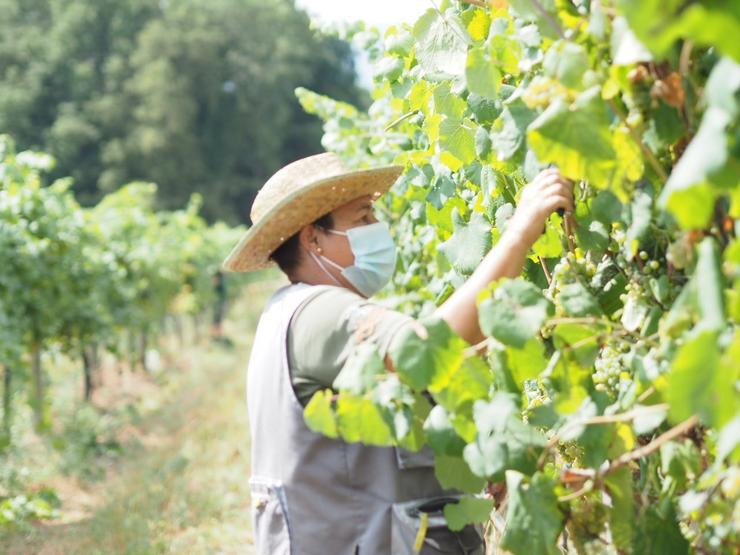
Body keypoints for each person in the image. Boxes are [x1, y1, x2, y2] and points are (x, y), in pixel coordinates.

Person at [222, 152, 573, 555]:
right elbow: (426, 349)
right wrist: (520, 232)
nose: (378, 229)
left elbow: (387, 414)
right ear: (313, 238)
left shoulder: (285, 312)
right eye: (363, 218)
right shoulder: (320, 313)